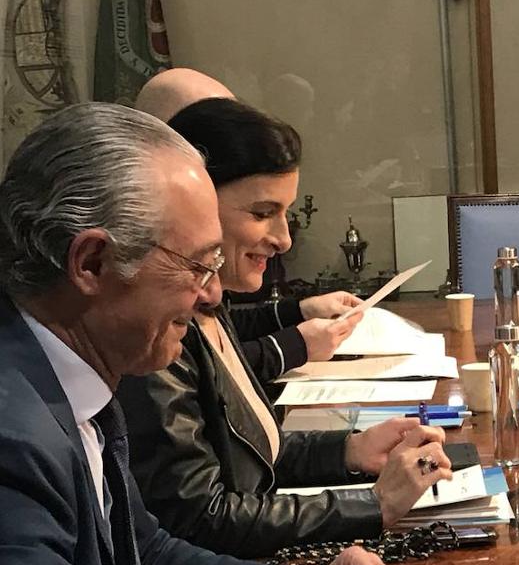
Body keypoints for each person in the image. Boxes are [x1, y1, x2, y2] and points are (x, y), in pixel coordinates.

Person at [0, 102, 415, 565]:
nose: (215, 295)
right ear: (92, 264)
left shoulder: (73, 368)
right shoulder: (12, 440)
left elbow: (145, 555)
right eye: (197, 266)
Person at [119, 98, 453, 558]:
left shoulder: (211, 307)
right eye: (261, 213)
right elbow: (199, 518)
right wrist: (373, 504)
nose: (285, 238)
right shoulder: (156, 336)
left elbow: (251, 454)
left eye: (285, 213)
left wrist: (350, 451)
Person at [135, 68, 359, 383]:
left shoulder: (203, 295)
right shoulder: (144, 317)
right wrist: (293, 345)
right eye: (262, 213)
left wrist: (297, 312)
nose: (284, 242)